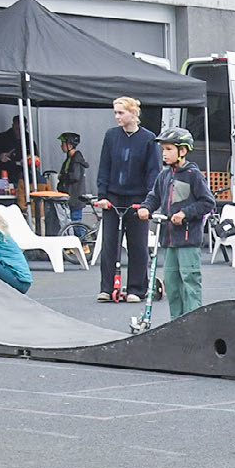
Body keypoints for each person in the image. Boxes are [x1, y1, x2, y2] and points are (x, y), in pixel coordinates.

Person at [137, 128, 215, 318]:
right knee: (171, 284)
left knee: (190, 281)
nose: (164, 153)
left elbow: (208, 202)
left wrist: (185, 213)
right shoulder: (164, 175)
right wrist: (146, 207)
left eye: (169, 149)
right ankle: (176, 322)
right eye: (163, 149)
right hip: (168, 240)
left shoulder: (193, 175)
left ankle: (193, 322)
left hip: (187, 240)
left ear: (183, 151)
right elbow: (154, 196)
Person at [93, 97, 160, 302]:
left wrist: (148, 202)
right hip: (113, 198)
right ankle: (107, 287)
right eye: (115, 113)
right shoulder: (111, 136)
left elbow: (153, 172)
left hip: (138, 199)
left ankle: (136, 289)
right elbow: (104, 166)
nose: (117, 117)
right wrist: (102, 196)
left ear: (133, 113)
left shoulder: (148, 138)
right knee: (109, 244)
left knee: (137, 245)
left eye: (121, 113)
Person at [0, 115, 37, 208]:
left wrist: (29, 160)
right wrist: (0, 156)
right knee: (6, 203)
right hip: (5, 175)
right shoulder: (3, 137)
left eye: (22, 128)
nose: (19, 131)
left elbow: (36, 158)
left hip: (24, 177)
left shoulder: (29, 139)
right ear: (13, 125)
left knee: (23, 203)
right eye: (17, 128)